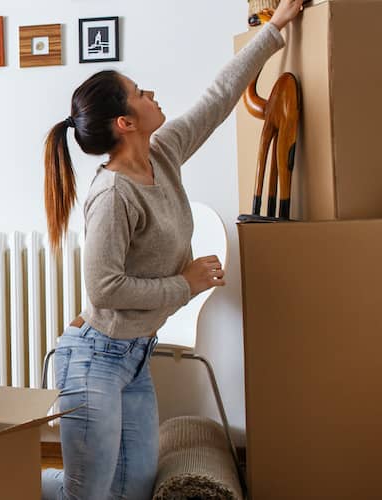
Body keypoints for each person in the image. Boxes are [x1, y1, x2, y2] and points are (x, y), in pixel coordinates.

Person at [40, 1, 305, 498]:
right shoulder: (113, 194)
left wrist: (274, 28)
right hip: (93, 357)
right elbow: (103, 287)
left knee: (135, 489)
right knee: (87, 494)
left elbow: (219, 96)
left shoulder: (164, 152)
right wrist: (185, 284)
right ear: (125, 122)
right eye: (140, 93)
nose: (152, 94)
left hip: (136, 357)